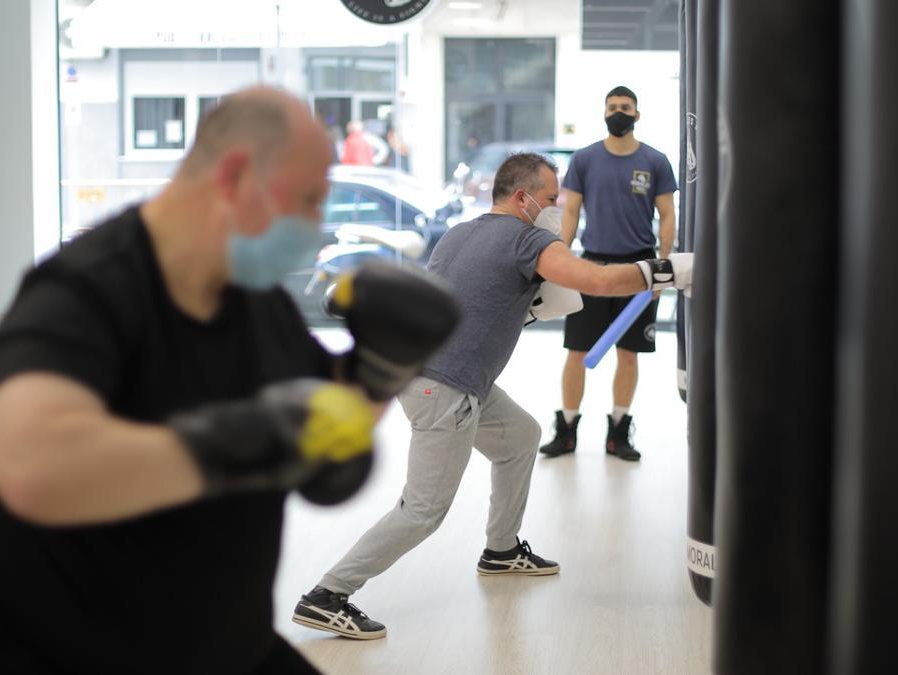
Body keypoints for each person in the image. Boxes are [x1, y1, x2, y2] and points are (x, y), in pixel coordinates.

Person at [0, 87, 457, 674]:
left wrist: (377, 373)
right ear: (233, 177)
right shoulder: (85, 291)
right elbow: (31, 465)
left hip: (209, 629)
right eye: (305, 200)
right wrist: (248, 441)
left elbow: (322, 432)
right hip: (53, 640)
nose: (315, 225)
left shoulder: (254, 302)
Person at [292, 152, 692, 639]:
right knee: (423, 510)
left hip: (436, 373)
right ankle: (328, 594)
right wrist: (666, 270)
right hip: (444, 386)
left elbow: (465, 299)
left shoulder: (462, 232)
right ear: (522, 198)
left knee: (521, 436)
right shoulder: (530, 239)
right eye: (550, 199)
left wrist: (519, 309)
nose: (558, 207)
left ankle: (500, 551)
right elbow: (599, 280)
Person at [539, 85, 678, 462]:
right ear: (604, 113)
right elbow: (570, 214)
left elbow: (667, 217)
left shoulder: (655, 160)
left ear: (637, 114)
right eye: (613, 107)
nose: (619, 112)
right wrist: (561, 259)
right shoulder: (585, 159)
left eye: (625, 107)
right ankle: (566, 431)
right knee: (576, 352)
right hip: (591, 267)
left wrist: (663, 269)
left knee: (629, 354)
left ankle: (618, 432)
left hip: (640, 269)